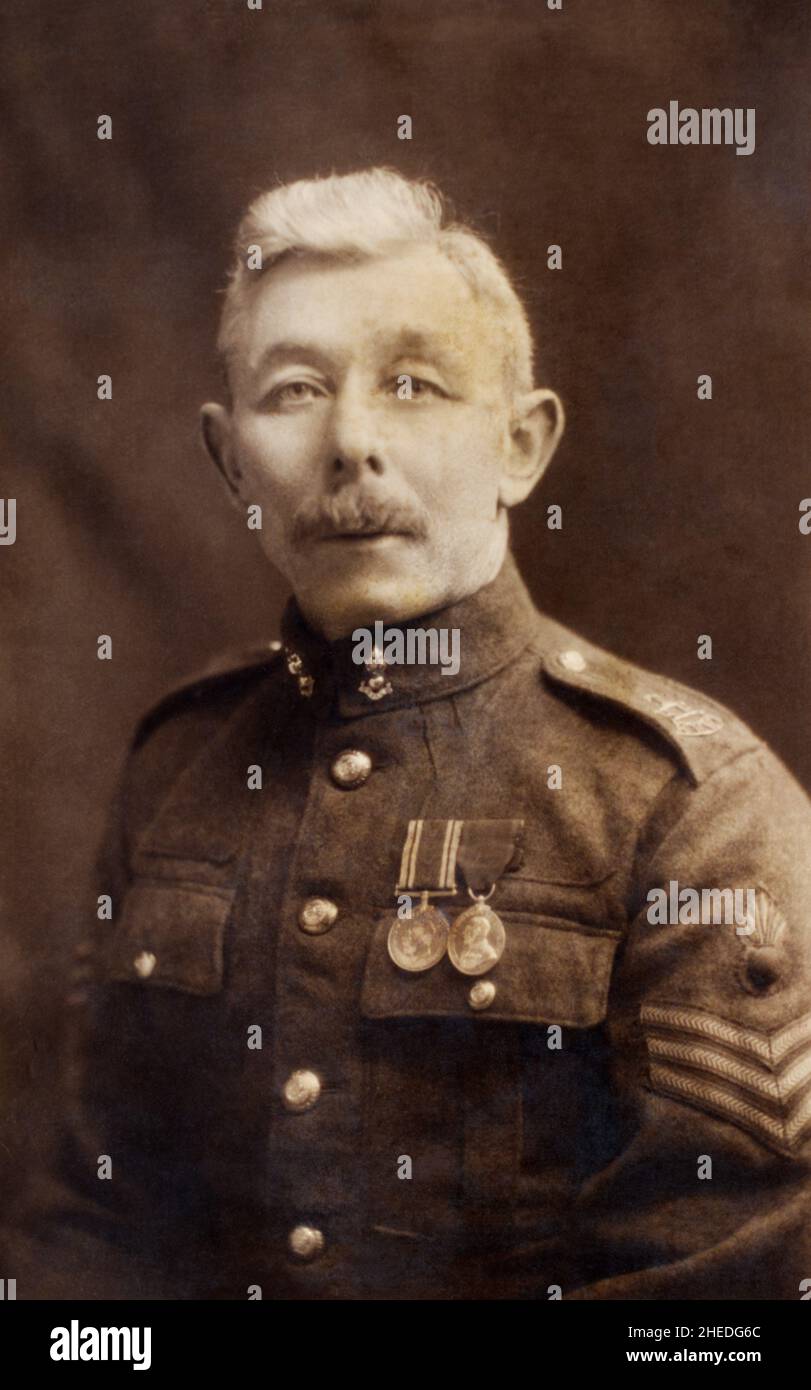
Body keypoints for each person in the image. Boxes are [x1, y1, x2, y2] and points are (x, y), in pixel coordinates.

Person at [5, 167, 811, 1300]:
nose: (351, 445)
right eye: (293, 391)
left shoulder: (686, 799)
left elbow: (720, 1305)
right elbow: (93, 1234)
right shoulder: (179, 763)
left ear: (521, 446)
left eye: (415, 384)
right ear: (231, 459)